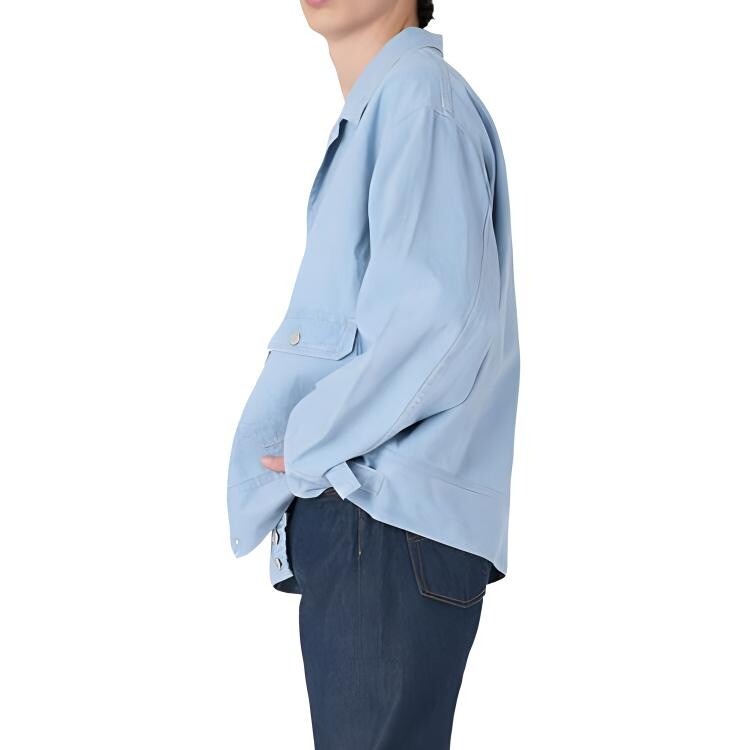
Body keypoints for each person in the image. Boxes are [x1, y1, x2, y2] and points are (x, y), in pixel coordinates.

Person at [226, 1, 519, 746]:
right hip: (376, 517)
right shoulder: (392, 105)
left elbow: (437, 325)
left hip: (380, 515)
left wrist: (308, 440)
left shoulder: (417, 98)